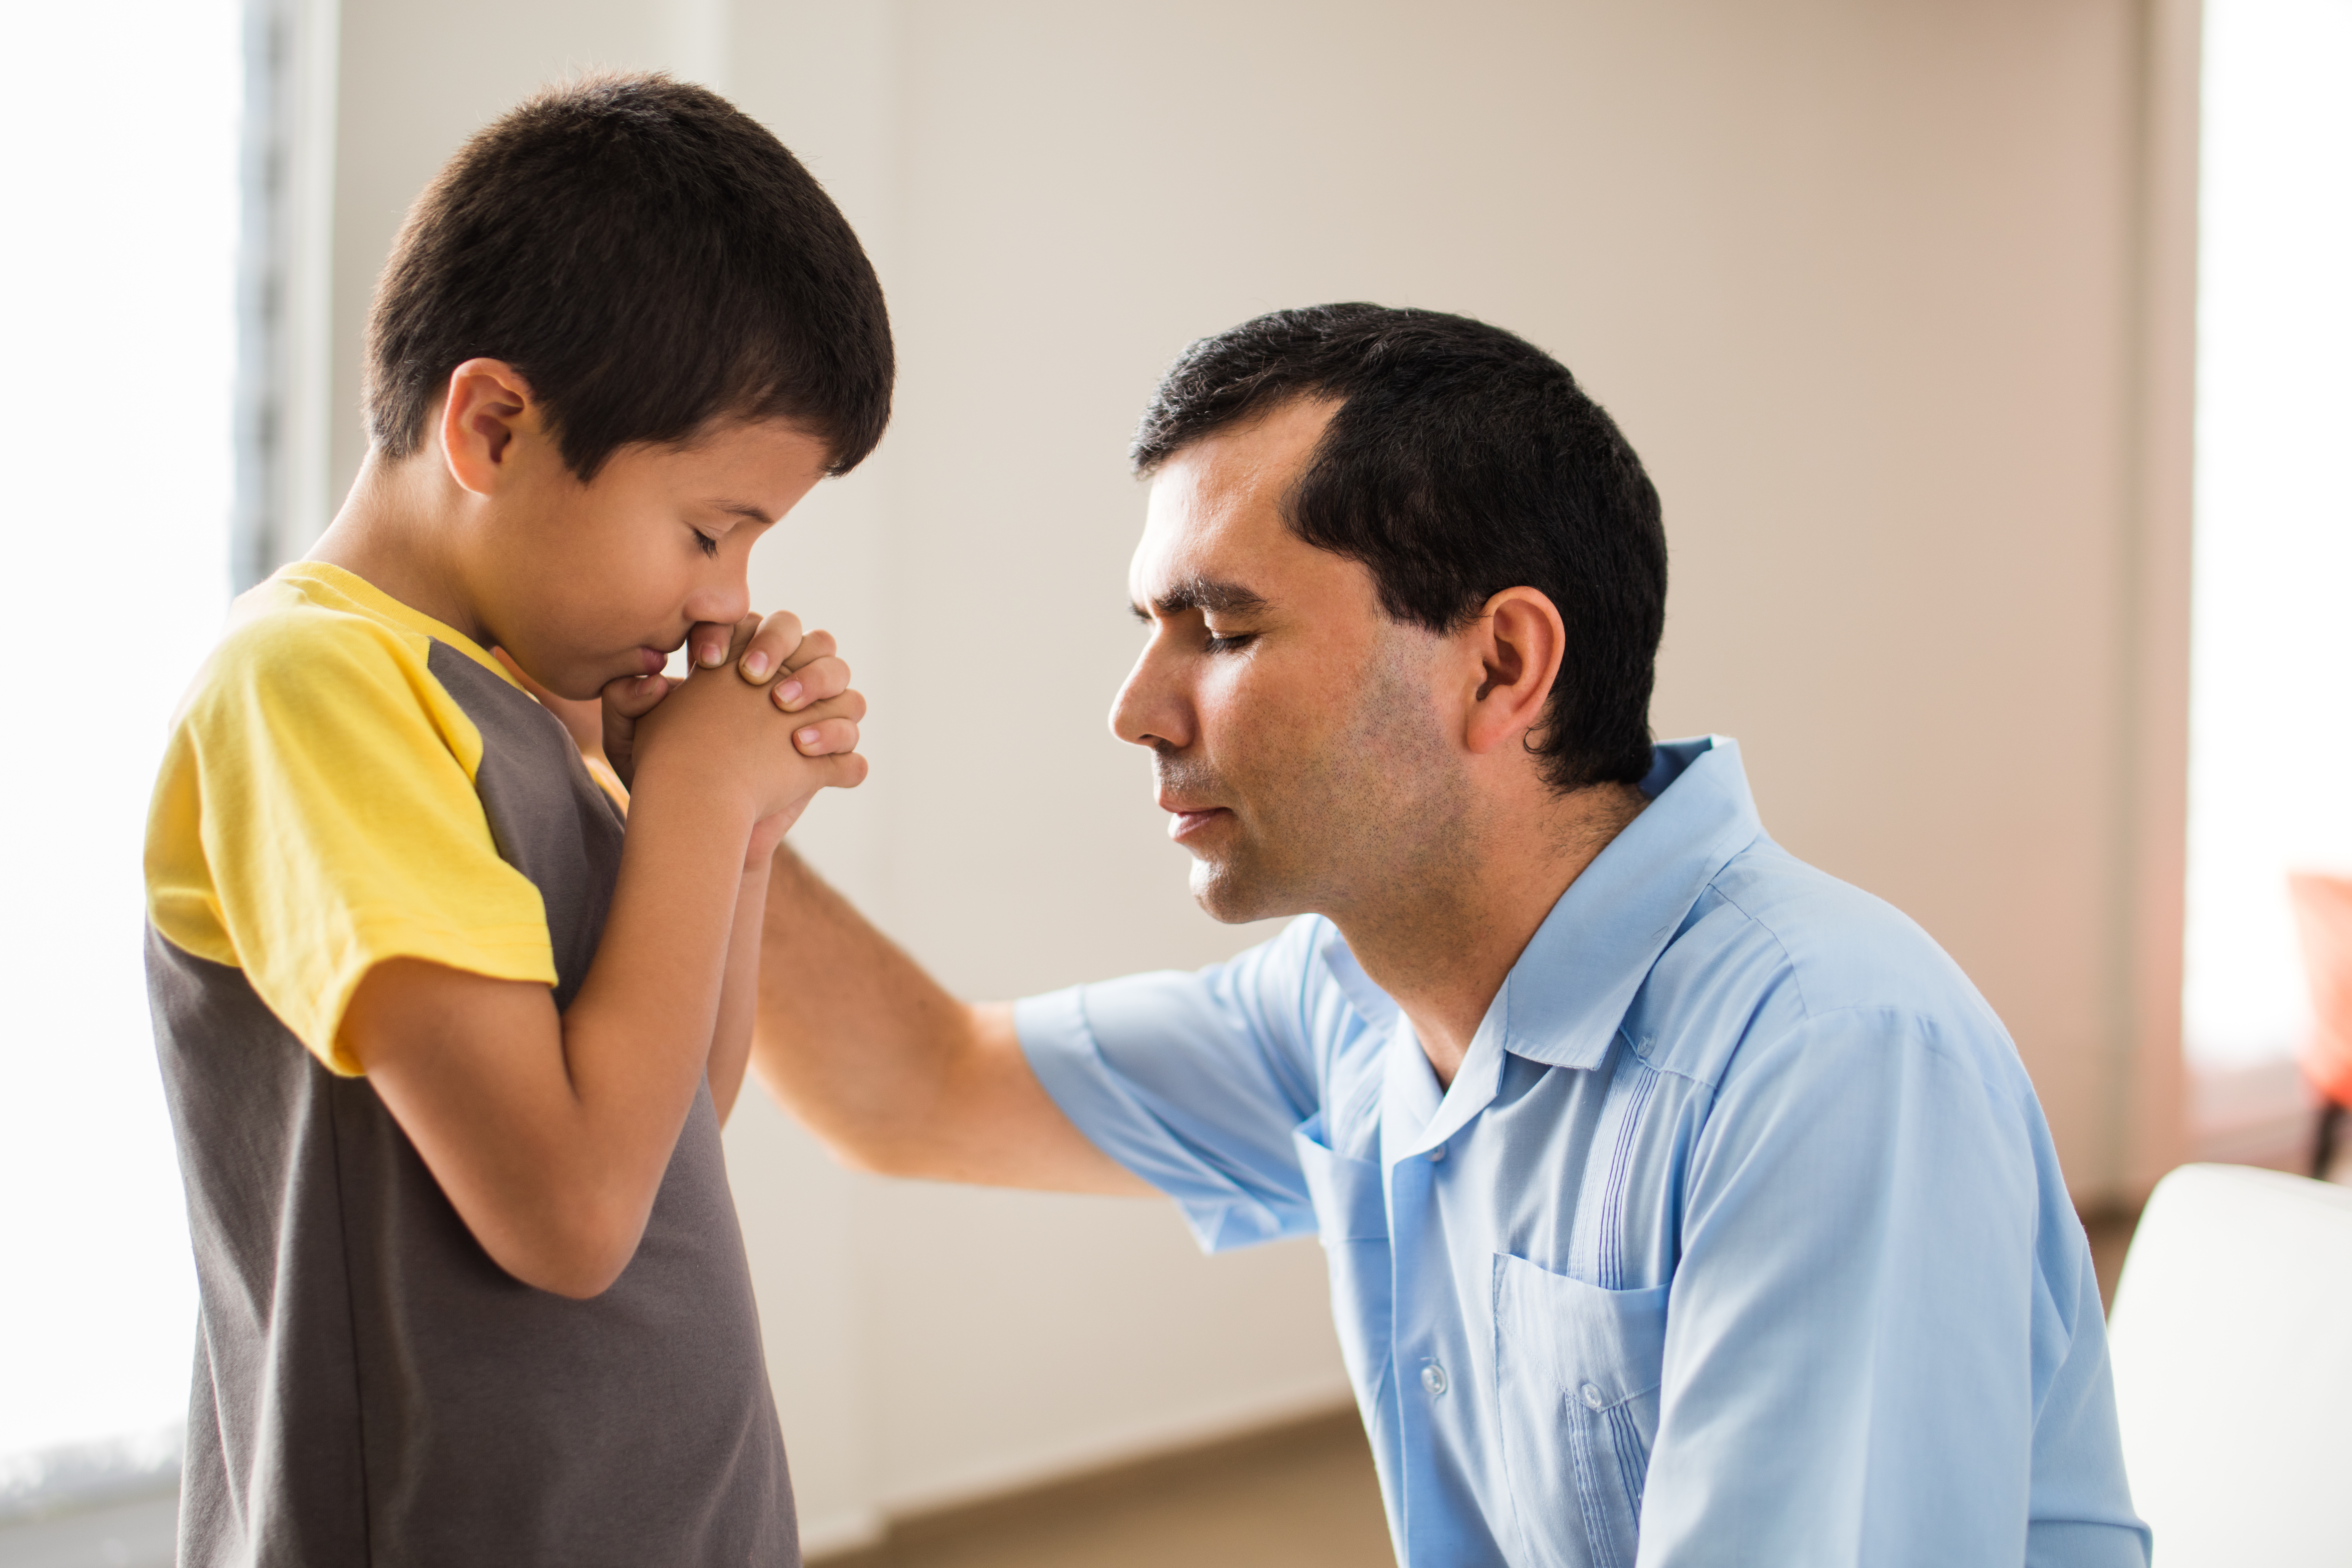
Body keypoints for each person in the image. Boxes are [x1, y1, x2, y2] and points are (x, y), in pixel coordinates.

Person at [739, 305, 2150, 1565]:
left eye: (1222, 629)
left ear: (1502, 664)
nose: (1139, 709)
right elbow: (915, 1091)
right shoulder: (1353, 1001)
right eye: (1152, 625)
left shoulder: (1825, 1057)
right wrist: (689, 794)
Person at [143, 75, 884, 1566]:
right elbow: (570, 1211)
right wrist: (694, 790)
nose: (727, 598)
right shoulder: (311, 688)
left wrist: (734, 844)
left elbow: (674, 1118)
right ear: (491, 423)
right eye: (707, 527)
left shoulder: (528, 709)